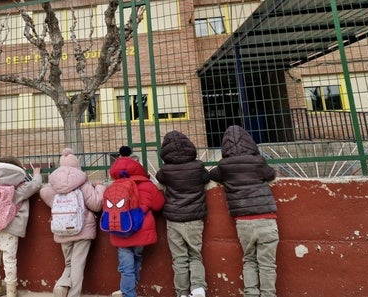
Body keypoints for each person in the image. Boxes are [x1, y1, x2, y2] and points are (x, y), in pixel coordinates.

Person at [209, 125, 279, 297]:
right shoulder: (258, 161)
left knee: (249, 259)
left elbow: (212, 175)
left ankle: (250, 293)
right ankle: (269, 294)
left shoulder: (223, 167)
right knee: (267, 263)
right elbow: (271, 174)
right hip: (266, 218)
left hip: (243, 221)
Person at [39, 148, 106, 297]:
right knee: (78, 265)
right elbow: (96, 204)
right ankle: (73, 294)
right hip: (82, 228)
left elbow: (43, 192)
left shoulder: (54, 186)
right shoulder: (83, 184)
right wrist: (100, 187)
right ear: (77, 166)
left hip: (62, 228)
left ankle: (61, 285)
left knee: (69, 263)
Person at [155, 130, 210, 297]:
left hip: (174, 220)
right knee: (195, 255)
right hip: (195, 218)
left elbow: (159, 180)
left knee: (179, 259)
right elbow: (207, 178)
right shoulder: (198, 166)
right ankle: (198, 289)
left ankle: (182, 293)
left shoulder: (166, 170)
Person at [108, 150, 165, 297]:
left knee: (126, 266)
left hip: (120, 230)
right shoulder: (147, 185)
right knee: (137, 257)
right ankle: (129, 290)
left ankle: (127, 290)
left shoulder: (114, 186)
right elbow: (159, 204)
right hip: (141, 230)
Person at [0, 156, 42, 297]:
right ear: (18, 172)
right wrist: (37, 174)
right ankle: (11, 291)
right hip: (11, 230)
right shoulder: (19, 188)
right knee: (9, 259)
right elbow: (36, 185)